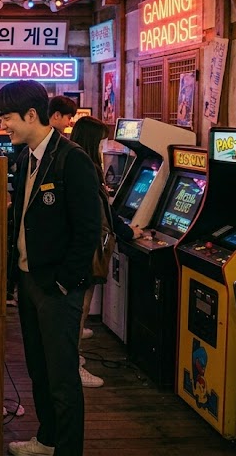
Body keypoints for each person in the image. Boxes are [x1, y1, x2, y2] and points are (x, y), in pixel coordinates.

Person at [0, 80, 101, 456]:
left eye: (7, 118)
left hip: (57, 287)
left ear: (31, 115)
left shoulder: (72, 159)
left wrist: (64, 282)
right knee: (38, 369)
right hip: (28, 281)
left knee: (62, 378)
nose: (3, 125)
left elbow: (89, 228)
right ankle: (47, 438)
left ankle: (68, 449)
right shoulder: (25, 157)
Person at [69, 116, 141, 389]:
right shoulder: (85, 166)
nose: (103, 147)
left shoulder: (73, 161)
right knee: (80, 309)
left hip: (80, 245)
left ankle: (73, 358)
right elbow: (104, 209)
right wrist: (128, 232)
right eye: (101, 141)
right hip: (88, 248)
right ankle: (73, 364)